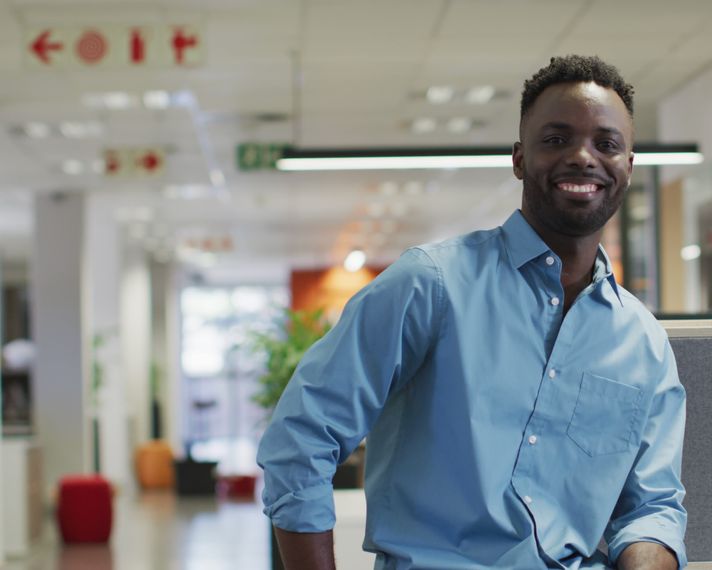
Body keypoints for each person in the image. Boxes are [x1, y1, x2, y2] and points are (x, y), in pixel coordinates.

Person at [257, 54, 687, 570]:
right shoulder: (430, 285)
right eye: (555, 139)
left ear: (629, 167)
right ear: (519, 158)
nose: (582, 157)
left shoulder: (642, 341)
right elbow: (301, 438)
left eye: (606, 143)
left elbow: (653, 507)